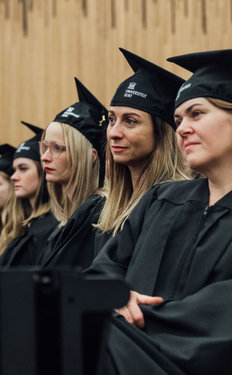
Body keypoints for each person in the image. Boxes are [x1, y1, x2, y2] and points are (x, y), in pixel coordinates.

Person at [88, 49, 232, 374]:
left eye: (197, 114)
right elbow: (104, 268)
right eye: (178, 119)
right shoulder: (161, 200)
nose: (182, 128)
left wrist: (127, 327)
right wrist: (114, 296)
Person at [94, 48, 190, 249]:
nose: (113, 133)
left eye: (130, 121)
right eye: (112, 120)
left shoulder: (175, 206)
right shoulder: (110, 208)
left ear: (161, 133)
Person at [39, 78, 107, 268]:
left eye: (57, 148)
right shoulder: (65, 223)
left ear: (90, 156)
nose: (44, 157)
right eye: (44, 147)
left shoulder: (100, 217)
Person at [0, 122, 58, 266]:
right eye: (14, 170)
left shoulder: (52, 226)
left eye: (23, 169)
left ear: (43, 172)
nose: (14, 177)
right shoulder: (23, 225)